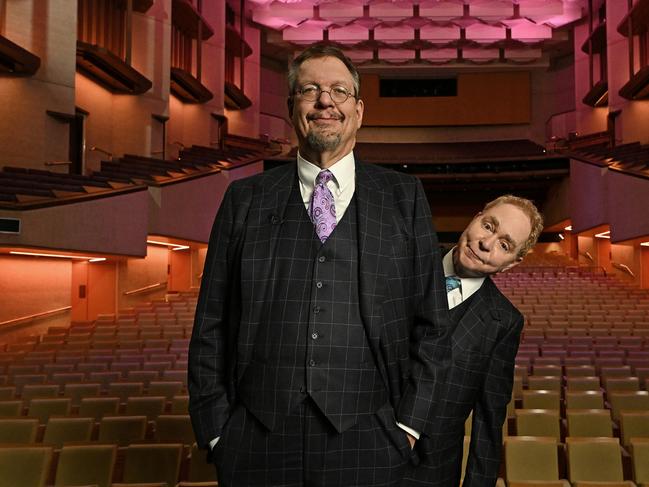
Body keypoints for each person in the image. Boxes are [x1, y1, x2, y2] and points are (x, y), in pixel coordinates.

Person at [188, 43, 450, 487]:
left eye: (339, 91)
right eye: (310, 90)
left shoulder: (403, 197)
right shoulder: (245, 199)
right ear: (293, 108)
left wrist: (407, 427)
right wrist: (217, 432)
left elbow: (433, 325)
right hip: (255, 439)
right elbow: (211, 321)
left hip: (371, 438)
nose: (325, 100)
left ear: (360, 110)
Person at [403, 195, 543, 486]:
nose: (486, 244)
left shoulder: (504, 322)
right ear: (476, 217)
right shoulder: (403, 262)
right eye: (488, 226)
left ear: (512, 264)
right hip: (351, 454)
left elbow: (489, 423)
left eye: (504, 245)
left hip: (430, 472)